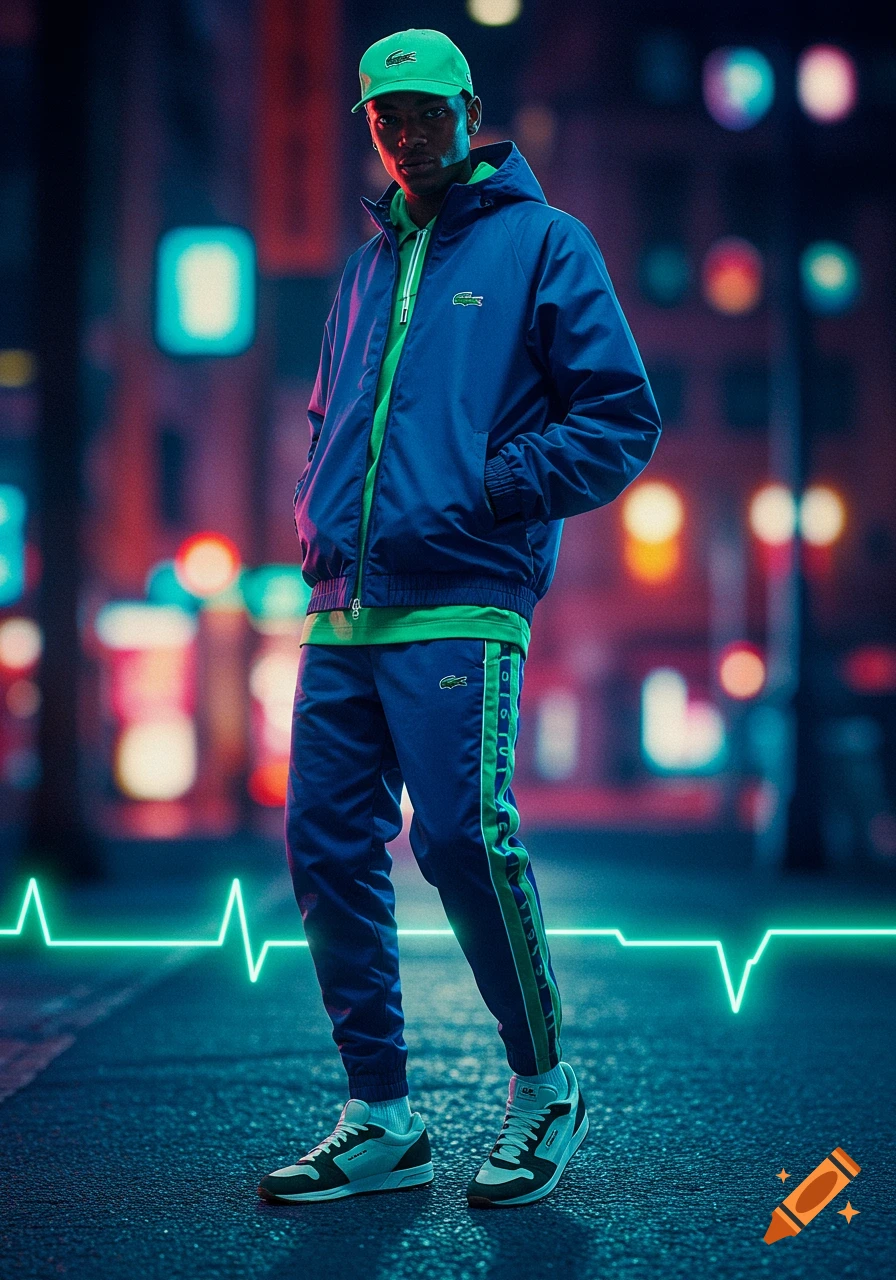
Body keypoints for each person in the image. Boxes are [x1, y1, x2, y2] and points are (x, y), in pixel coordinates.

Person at [258, 27, 661, 1209]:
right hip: (343, 605)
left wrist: (486, 488)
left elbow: (617, 417)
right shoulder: (364, 267)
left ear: (467, 109)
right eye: (387, 117)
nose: (408, 131)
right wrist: (315, 515)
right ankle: (379, 1113)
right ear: (370, 129)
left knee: (459, 839)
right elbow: (334, 416)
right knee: (324, 848)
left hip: (462, 596)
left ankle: (543, 1088)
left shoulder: (544, 245)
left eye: (428, 111)